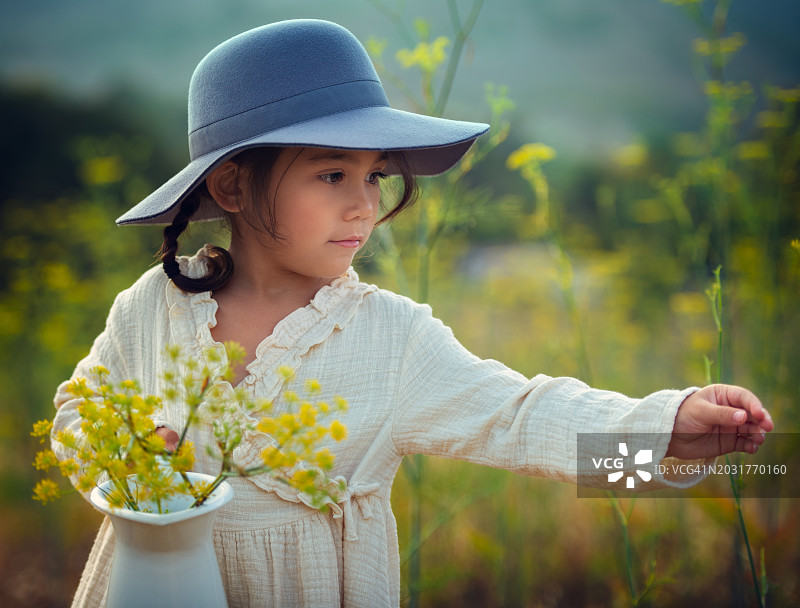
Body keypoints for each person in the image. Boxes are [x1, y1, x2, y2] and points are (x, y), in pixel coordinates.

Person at [51, 19, 773, 607]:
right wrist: (130, 464)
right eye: (332, 173)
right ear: (234, 186)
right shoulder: (152, 308)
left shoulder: (391, 338)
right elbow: (75, 415)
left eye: (375, 176)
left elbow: (521, 418)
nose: (364, 203)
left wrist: (665, 433)